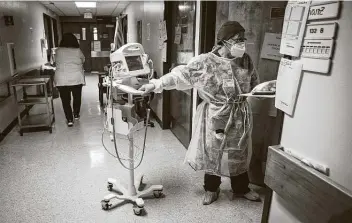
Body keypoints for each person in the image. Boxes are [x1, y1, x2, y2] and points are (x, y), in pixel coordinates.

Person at [139, 21, 261, 205]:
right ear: (224, 41)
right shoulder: (205, 62)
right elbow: (180, 75)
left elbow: (254, 83)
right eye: (237, 39)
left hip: (238, 113)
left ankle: (241, 188)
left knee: (239, 151)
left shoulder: (245, 60)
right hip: (215, 114)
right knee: (213, 150)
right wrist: (155, 84)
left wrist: (262, 91)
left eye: (243, 39)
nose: (242, 43)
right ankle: (212, 188)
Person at [54, 33, 85, 127]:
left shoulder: (58, 51)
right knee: (77, 97)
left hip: (62, 78)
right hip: (76, 77)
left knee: (65, 100)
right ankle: (76, 114)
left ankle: (69, 119)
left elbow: (55, 61)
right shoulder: (77, 50)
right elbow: (83, 60)